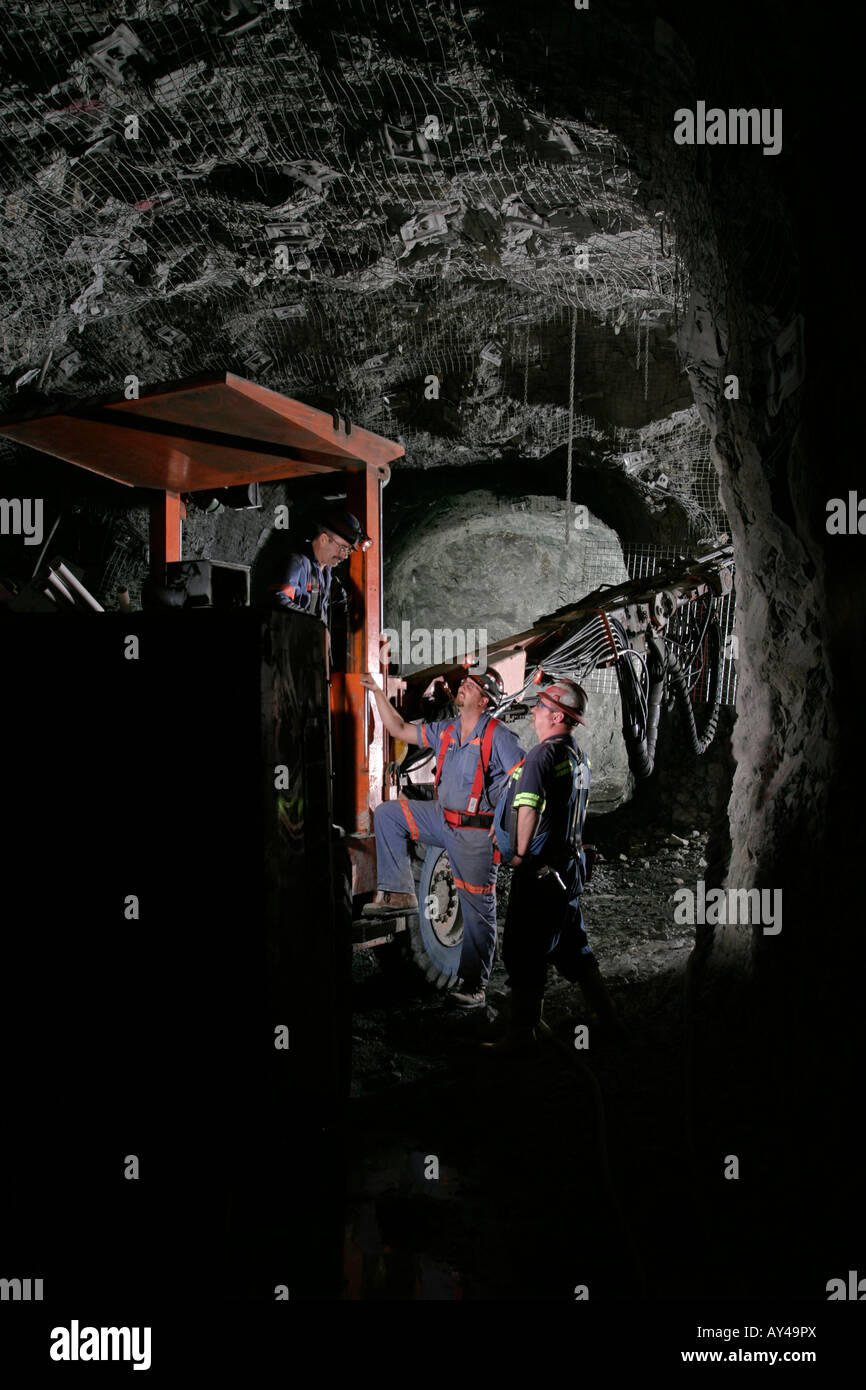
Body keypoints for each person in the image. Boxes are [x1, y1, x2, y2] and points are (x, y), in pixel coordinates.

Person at [359, 667, 525, 1008]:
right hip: (441, 820)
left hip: (475, 835)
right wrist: (377, 692)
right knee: (391, 815)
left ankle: (475, 988)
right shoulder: (448, 730)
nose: (461, 687)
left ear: (483, 699)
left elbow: (525, 779)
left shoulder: (499, 737)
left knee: (478, 912)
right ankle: (401, 894)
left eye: (469, 685)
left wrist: (508, 824)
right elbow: (401, 729)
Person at [489, 678, 619, 1048]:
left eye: (541, 705)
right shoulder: (576, 756)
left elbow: (528, 806)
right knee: (573, 945)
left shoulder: (542, 756)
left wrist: (517, 854)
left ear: (558, 715)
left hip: (541, 874)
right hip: (568, 869)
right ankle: (608, 1018)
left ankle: (521, 1036)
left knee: (525, 952)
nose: (534, 711)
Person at [273, 509, 369, 627]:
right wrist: (316, 624)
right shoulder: (297, 564)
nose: (345, 555)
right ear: (323, 539)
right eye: (343, 548)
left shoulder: (327, 574)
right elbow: (278, 601)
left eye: (348, 551)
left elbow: (342, 604)